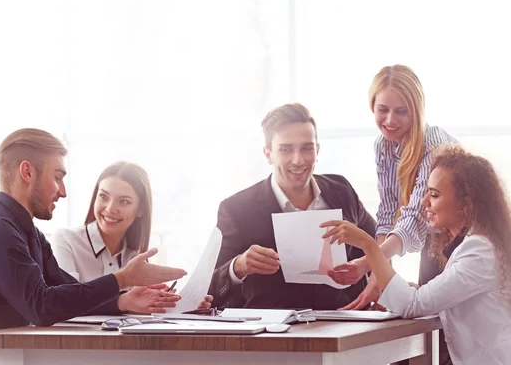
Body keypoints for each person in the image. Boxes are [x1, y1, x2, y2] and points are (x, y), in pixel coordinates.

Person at [0, 129, 186, 365]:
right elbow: (42, 307)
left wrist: (122, 300)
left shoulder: (27, 232)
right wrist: (122, 279)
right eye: (58, 177)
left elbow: (64, 294)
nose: (63, 190)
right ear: (27, 172)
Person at [322, 145, 511, 365]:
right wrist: (412, 289)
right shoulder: (475, 246)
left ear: (466, 203)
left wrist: (368, 244)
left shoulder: (479, 251)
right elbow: (435, 296)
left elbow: (413, 305)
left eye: (435, 195)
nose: (425, 203)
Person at [207, 103, 376, 309]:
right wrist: (239, 266)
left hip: (346, 326)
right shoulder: (237, 210)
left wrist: (376, 280)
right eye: (286, 150)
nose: (298, 160)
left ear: (317, 149)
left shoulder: (341, 190)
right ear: (268, 154)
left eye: (307, 148)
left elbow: (377, 245)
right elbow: (208, 289)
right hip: (275, 335)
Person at [51, 161, 212, 312]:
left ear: (140, 209)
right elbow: (67, 301)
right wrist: (124, 301)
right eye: (103, 196)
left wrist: (183, 304)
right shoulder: (66, 240)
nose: (110, 209)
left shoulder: (134, 258)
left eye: (124, 202)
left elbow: (143, 307)